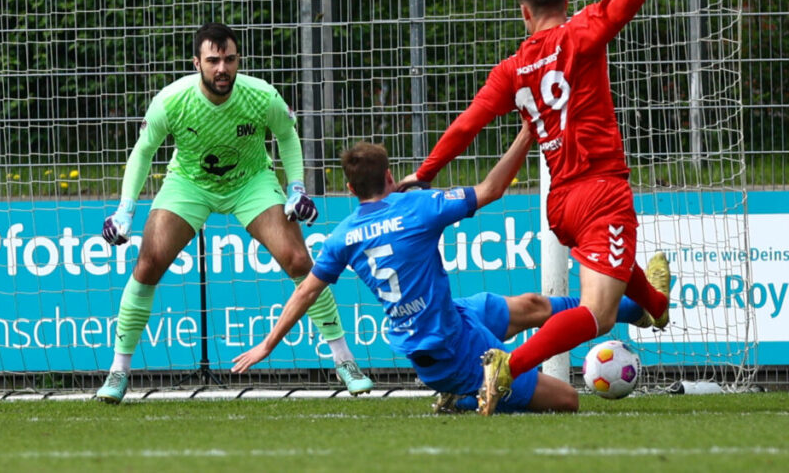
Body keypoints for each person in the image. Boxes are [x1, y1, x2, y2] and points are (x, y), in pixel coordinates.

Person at [401, 0, 677, 415]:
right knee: (599, 314)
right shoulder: (581, 31)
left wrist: (425, 172)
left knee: (615, 268)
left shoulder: (511, 70)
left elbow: (466, 125)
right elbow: (625, 4)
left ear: (525, 13)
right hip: (600, 189)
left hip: (562, 202)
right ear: (565, 3)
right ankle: (509, 365)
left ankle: (656, 305)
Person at [233, 136, 653, 414]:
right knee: (568, 400)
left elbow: (305, 292)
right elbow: (491, 189)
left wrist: (268, 344)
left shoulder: (342, 236)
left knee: (533, 305)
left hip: (450, 320)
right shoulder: (419, 207)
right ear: (390, 177)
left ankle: (638, 309)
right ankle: (466, 396)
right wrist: (528, 133)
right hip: (451, 351)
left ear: (350, 191)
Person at [96, 22, 373, 402]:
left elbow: (287, 136)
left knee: (298, 260)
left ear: (238, 59)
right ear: (197, 63)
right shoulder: (171, 100)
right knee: (149, 262)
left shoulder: (261, 96)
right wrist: (124, 211)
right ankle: (118, 371)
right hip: (189, 183)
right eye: (213, 60)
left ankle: (345, 362)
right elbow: (143, 152)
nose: (222, 68)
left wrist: (296, 189)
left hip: (251, 182)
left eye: (229, 59)